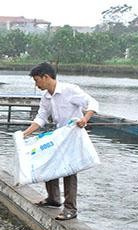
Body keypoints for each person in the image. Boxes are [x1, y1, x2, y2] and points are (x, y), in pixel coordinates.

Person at [22, 62, 99, 221]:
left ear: (46, 77)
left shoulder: (69, 90)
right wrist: (25, 133)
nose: (36, 85)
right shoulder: (46, 97)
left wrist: (85, 118)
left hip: (72, 135)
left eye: (37, 80)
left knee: (69, 170)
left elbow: (92, 103)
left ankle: (70, 208)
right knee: (50, 162)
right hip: (58, 135)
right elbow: (41, 117)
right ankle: (53, 199)